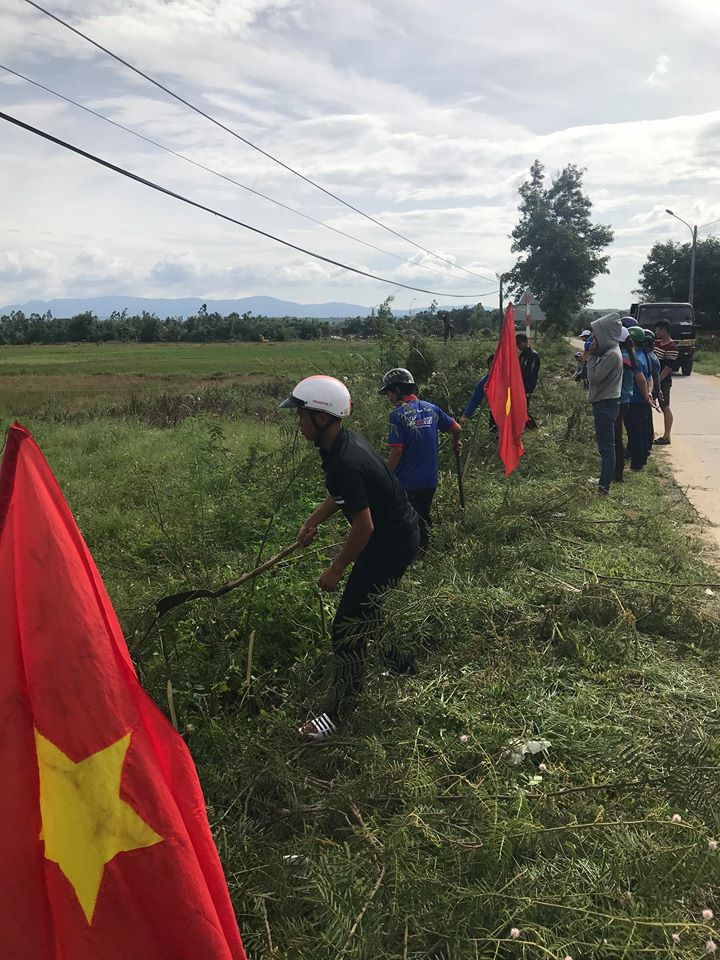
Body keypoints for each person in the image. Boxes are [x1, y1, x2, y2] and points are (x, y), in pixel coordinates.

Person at [280, 375, 420, 741]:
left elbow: (364, 526)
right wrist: (312, 520)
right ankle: (402, 665)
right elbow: (345, 495)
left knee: (347, 625)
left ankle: (337, 713)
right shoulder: (342, 443)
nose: (298, 422)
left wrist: (336, 569)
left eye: (302, 416)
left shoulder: (344, 459)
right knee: (370, 607)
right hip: (399, 533)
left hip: (391, 542)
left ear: (322, 417)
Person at [380, 368, 462, 551]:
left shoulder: (397, 415)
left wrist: (385, 475)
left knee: (406, 519)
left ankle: (411, 552)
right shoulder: (431, 408)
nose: (389, 397)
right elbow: (456, 429)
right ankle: (424, 550)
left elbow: (396, 452)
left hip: (406, 481)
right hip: (429, 479)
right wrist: (455, 443)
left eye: (389, 393)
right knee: (423, 515)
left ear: (398, 390)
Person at [586, 313, 623, 496]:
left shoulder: (610, 355)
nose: (593, 338)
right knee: (605, 447)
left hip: (605, 404)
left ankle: (604, 487)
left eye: (596, 334)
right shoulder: (610, 352)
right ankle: (604, 480)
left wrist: (591, 356)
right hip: (605, 402)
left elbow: (593, 377)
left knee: (607, 448)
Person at [624, 326, 654, 472]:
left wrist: (645, 396)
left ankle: (636, 464)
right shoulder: (645, 355)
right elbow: (650, 378)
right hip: (642, 400)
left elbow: (641, 379)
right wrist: (648, 394)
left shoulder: (634, 356)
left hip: (635, 400)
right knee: (641, 431)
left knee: (635, 433)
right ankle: (641, 460)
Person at [653, 319, 680, 445]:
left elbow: (668, 368)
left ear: (664, 330)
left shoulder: (672, 347)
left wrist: (657, 382)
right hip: (655, 380)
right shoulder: (657, 344)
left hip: (663, 382)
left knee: (664, 406)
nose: (656, 332)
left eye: (658, 329)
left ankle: (667, 435)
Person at [516, 334, 541, 428]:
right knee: (522, 407)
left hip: (528, 386)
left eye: (519, 344)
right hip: (520, 385)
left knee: (523, 408)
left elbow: (531, 373)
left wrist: (522, 382)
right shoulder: (522, 355)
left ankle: (532, 426)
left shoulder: (533, 355)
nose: (518, 346)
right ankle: (525, 425)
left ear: (525, 342)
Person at [460, 355, 494, 422]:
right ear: (489, 368)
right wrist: (465, 415)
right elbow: (475, 399)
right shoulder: (485, 381)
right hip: (495, 413)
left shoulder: (509, 378)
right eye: (492, 366)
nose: (495, 368)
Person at [642, 328, 661, 450]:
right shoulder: (651, 355)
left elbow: (654, 377)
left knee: (645, 419)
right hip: (651, 390)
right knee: (647, 417)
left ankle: (647, 443)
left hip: (649, 390)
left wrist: (655, 391)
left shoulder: (649, 357)